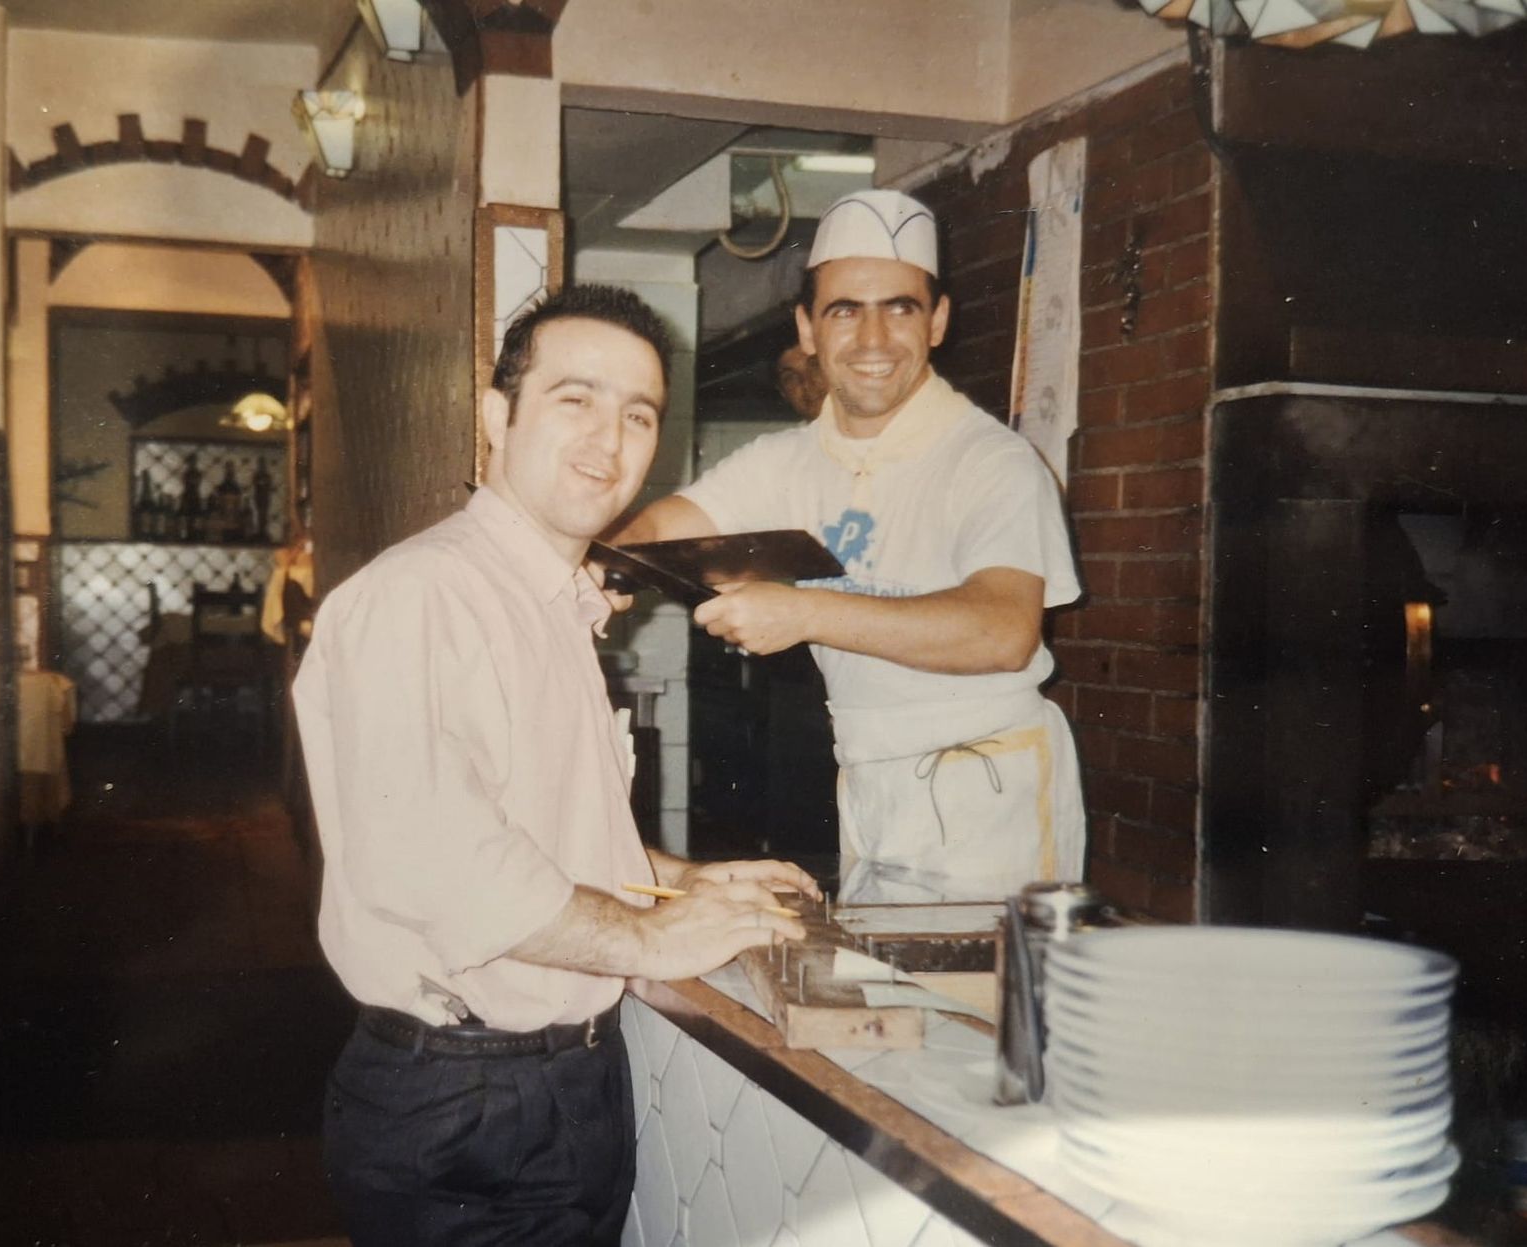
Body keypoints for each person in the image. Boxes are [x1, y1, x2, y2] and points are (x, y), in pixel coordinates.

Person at [293, 283, 818, 1247]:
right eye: (576, 399)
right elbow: (437, 861)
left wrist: (681, 881)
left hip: (556, 1087)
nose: (607, 440)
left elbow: (540, 833)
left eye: (638, 415)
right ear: (497, 417)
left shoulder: (553, 604)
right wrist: (652, 938)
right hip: (465, 1102)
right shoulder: (424, 594)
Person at [612, 188, 1084, 904]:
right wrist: (596, 567)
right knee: (879, 976)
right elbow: (663, 526)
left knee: (977, 981)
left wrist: (805, 613)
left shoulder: (992, 462)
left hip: (990, 787)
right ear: (807, 328)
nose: (873, 339)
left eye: (900, 308)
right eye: (844, 310)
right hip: (869, 778)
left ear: (938, 321)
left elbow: (1003, 631)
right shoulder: (788, 462)